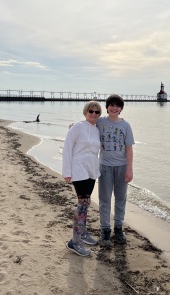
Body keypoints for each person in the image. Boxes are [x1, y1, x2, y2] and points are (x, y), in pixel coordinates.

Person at [62, 101, 102, 257]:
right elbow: (67, 148)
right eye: (91, 111)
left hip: (91, 170)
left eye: (97, 112)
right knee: (82, 204)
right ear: (85, 112)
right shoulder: (77, 127)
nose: (93, 114)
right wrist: (67, 171)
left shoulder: (98, 130)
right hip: (78, 170)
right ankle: (74, 241)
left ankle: (83, 233)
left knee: (86, 203)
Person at [97, 94, 135, 247]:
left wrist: (130, 169)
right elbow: (87, 124)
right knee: (104, 200)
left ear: (121, 109)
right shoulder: (100, 122)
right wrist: (74, 126)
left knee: (120, 199)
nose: (114, 108)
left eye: (117, 106)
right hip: (105, 166)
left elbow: (129, 148)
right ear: (107, 107)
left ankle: (118, 228)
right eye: (111, 105)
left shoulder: (125, 126)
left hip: (122, 166)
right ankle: (105, 230)